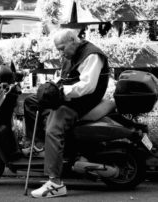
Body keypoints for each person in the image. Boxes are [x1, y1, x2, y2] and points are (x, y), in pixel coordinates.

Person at [23, 29, 110, 198]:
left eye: (62, 48)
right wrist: (51, 87)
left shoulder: (92, 55)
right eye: (58, 49)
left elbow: (87, 86)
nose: (60, 52)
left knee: (53, 130)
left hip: (81, 102)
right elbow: (65, 77)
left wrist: (61, 92)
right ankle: (39, 146)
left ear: (73, 40)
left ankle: (55, 183)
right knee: (31, 102)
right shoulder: (72, 54)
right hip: (69, 97)